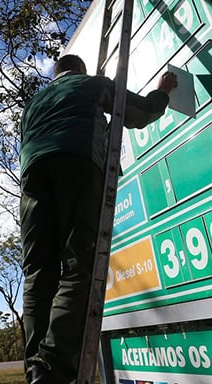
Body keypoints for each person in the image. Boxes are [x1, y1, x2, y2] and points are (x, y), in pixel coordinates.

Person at [19, 54, 177, 384]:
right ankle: (52, 364)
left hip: (32, 174)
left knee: (38, 269)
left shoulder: (33, 103)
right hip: (77, 163)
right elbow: (140, 113)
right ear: (80, 71)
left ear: (56, 74)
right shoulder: (91, 84)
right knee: (79, 263)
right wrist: (163, 91)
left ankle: (35, 366)